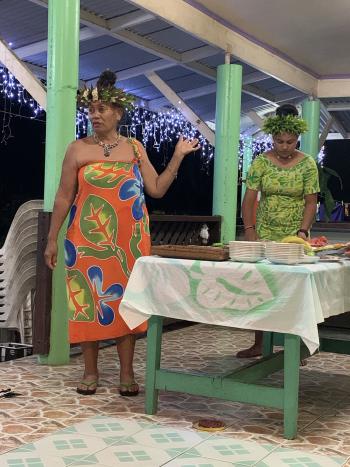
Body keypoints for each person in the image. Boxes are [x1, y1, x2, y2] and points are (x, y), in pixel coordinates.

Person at [44, 70, 199, 395]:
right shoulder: (77, 149)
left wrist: (177, 157)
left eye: (102, 109)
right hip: (84, 242)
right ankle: (90, 372)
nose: (95, 115)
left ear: (118, 112)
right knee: (87, 301)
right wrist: (51, 239)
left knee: (126, 303)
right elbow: (63, 195)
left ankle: (126, 373)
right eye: (91, 110)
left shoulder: (134, 148)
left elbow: (155, 189)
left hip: (128, 242)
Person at [237, 103, 319, 358]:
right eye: (279, 141)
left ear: (298, 139)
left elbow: (311, 201)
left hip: (294, 234)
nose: (284, 147)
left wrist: (303, 231)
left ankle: (297, 347)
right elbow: (249, 199)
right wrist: (250, 230)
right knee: (262, 287)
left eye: (290, 142)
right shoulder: (261, 162)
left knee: (293, 290)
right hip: (265, 230)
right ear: (272, 138)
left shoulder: (308, 164)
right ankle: (260, 343)